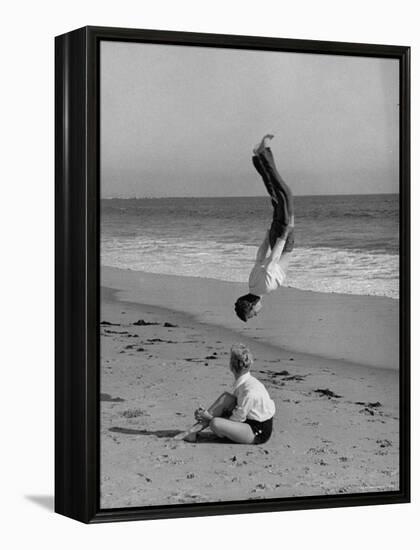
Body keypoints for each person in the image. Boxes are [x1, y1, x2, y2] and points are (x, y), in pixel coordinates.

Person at [235, 135, 295, 322]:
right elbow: (260, 256)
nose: (257, 313)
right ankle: (258, 159)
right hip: (273, 238)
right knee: (276, 196)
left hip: (283, 243)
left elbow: (272, 261)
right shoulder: (252, 284)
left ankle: (263, 153)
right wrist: (268, 234)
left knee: (286, 194)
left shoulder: (265, 289)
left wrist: (284, 234)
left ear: (251, 305)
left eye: (254, 313)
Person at [175, 344, 275, 444]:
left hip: (257, 431)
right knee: (226, 398)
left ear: (231, 366)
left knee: (215, 423)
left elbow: (236, 419)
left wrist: (209, 418)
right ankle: (192, 431)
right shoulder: (247, 382)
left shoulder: (249, 392)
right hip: (247, 419)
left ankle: (203, 425)